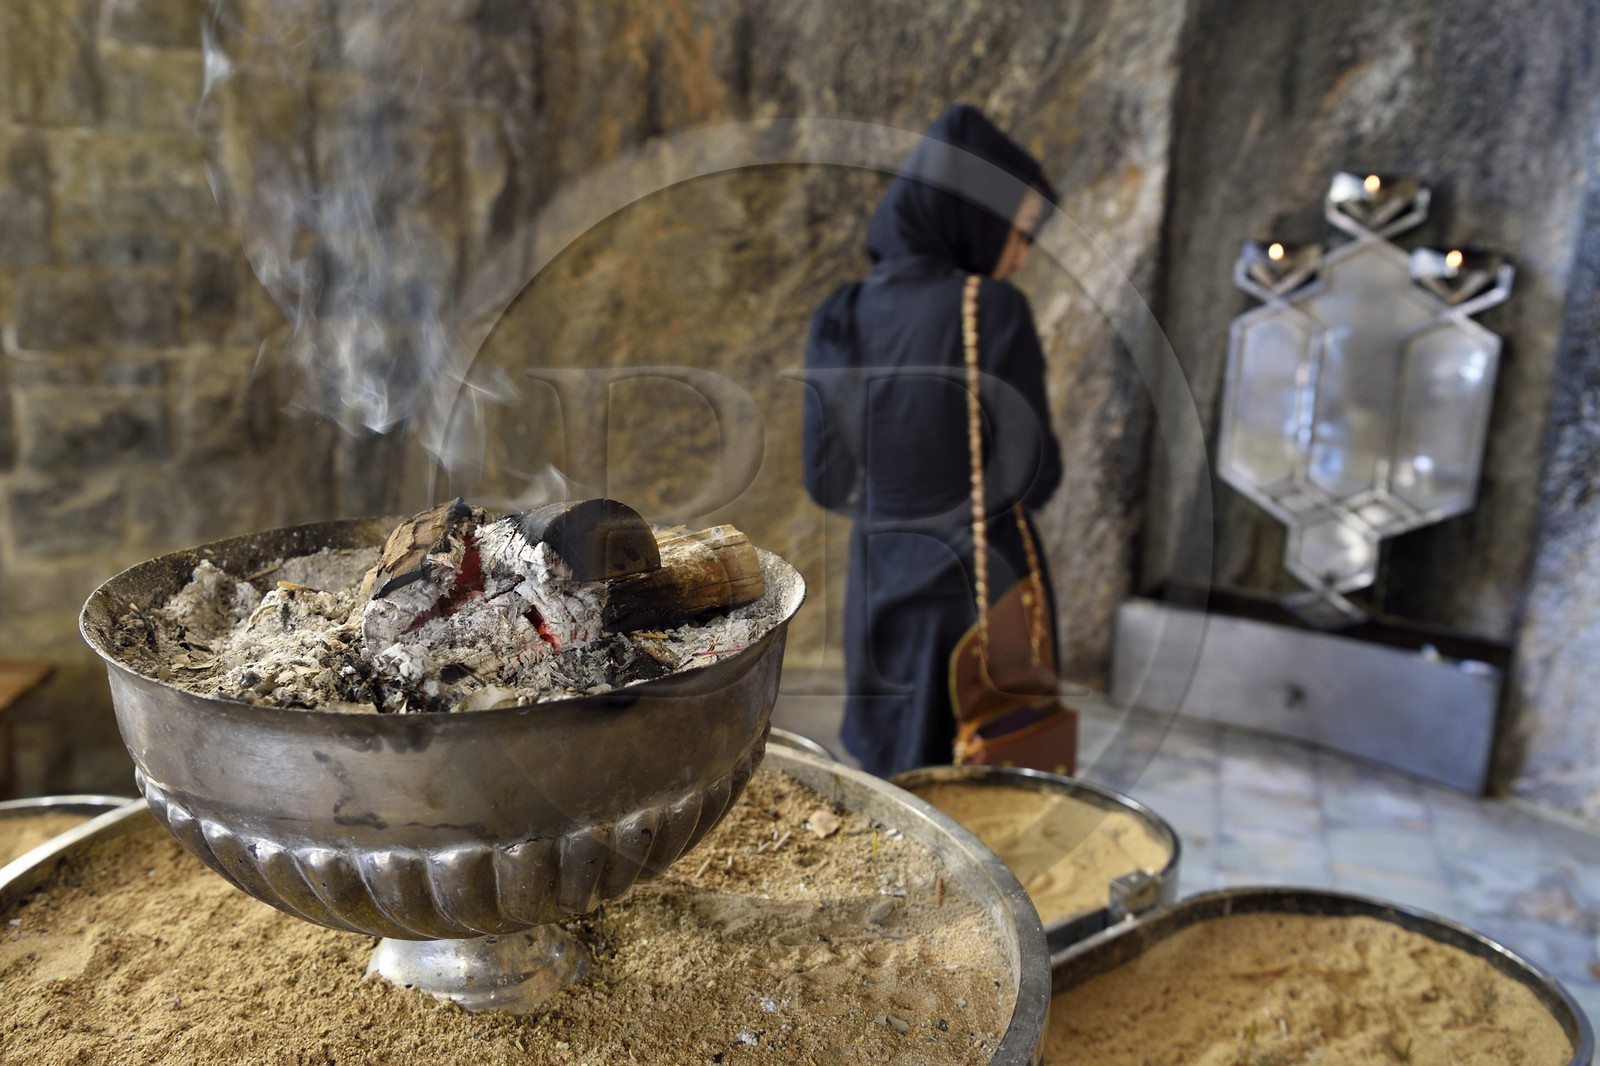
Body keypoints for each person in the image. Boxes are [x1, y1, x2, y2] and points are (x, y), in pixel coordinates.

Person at [802, 104, 1064, 777]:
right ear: (977, 216)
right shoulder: (994, 308)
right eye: (1021, 231)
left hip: (880, 580)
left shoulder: (844, 311)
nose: (1021, 253)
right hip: (980, 592)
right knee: (990, 782)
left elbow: (824, 479)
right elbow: (1038, 477)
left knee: (895, 786)